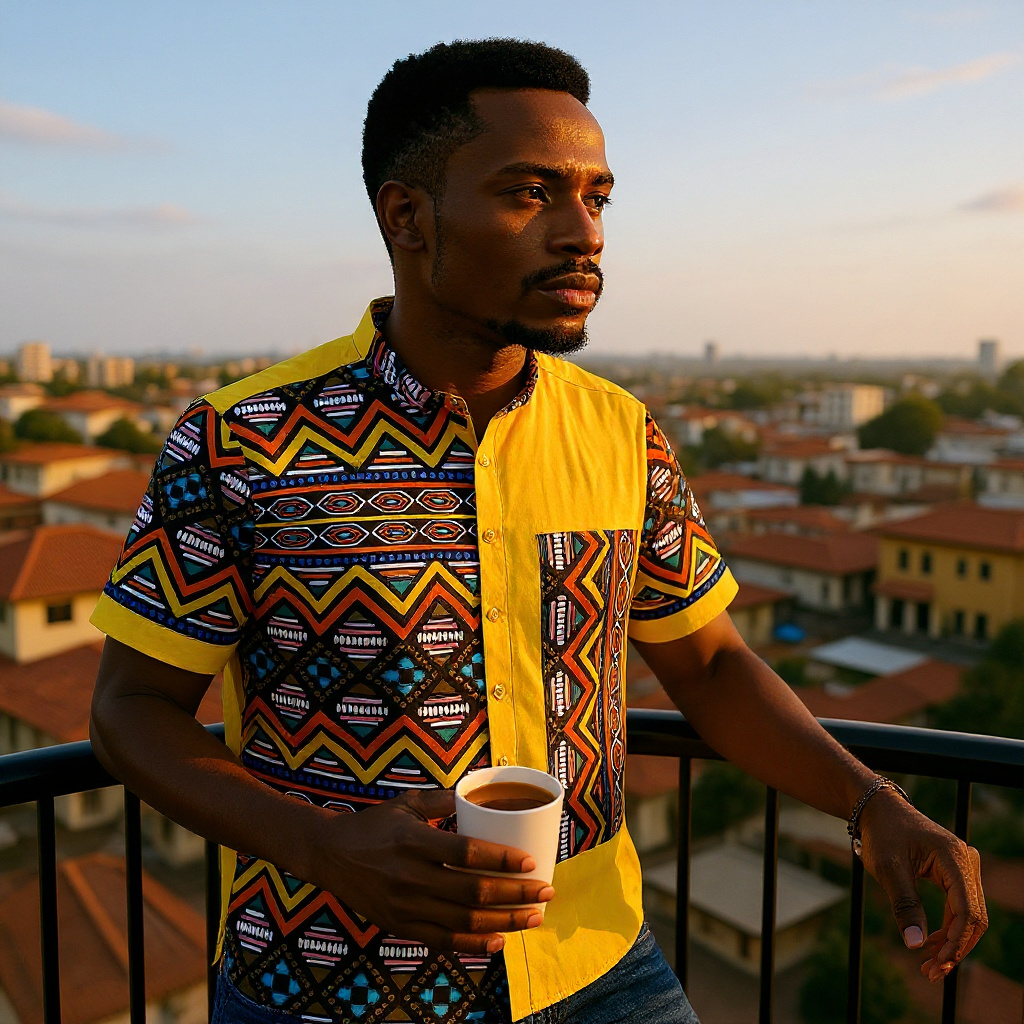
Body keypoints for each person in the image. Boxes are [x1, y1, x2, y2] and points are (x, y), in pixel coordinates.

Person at [90, 38, 986, 1024]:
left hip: (596, 967)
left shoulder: (618, 430)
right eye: (530, 193)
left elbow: (713, 666)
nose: (583, 234)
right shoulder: (240, 440)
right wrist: (322, 845)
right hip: (325, 984)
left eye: (596, 198)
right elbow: (133, 708)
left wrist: (870, 802)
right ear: (407, 217)